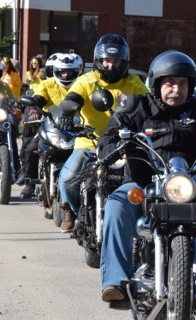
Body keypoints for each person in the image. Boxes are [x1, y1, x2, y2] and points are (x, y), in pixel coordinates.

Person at [98, 50, 196, 307]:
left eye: (182, 83)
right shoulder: (137, 107)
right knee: (117, 202)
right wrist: (114, 147)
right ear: (156, 84)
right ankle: (115, 281)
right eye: (169, 83)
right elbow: (110, 136)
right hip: (144, 186)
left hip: (190, 186)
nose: (176, 89)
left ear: (191, 85)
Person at [55, 34, 149, 232]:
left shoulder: (133, 82)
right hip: (90, 141)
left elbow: (150, 105)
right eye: (107, 61)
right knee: (67, 179)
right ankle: (72, 210)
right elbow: (73, 97)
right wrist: (66, 113)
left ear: (124, 62)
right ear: (98, 60)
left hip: (123, 143)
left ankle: (141, 221)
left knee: (147, 180)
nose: (111, 66)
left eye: (116, 62)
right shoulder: (87, 80)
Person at [17, 53, 83, 199]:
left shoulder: (82, 84)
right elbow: (39, 97)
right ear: (56, 71)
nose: (66, 75)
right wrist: (35, 106)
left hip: (77, 129)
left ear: (77, 72)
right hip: (51, 126)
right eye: (63, 72)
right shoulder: (47, 84)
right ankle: (30, 183)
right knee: (31, 148)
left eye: (70, 72)